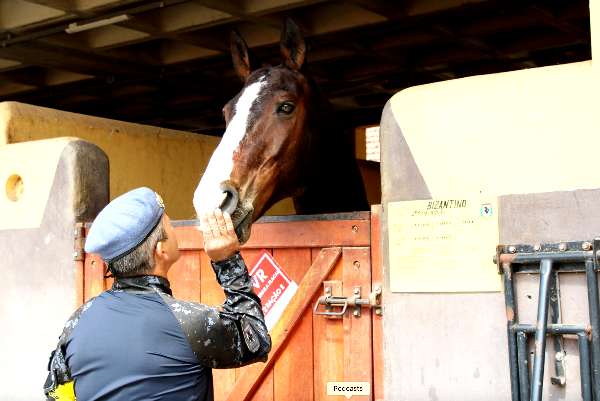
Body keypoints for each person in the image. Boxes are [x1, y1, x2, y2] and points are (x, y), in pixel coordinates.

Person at [43, 187, 271, 401]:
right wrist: (226, 260)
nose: (173, 230)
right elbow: (257, 339)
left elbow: (54, 392)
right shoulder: (190, 323)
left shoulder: (78, 322)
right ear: (160, 249)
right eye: (170, 226)